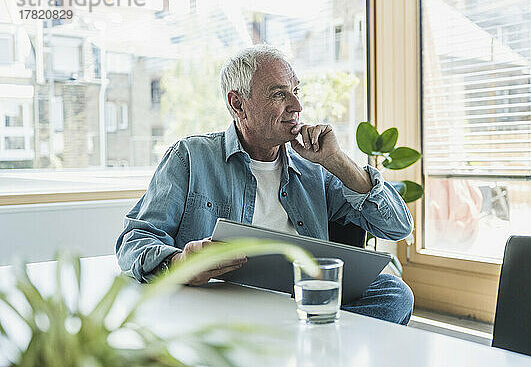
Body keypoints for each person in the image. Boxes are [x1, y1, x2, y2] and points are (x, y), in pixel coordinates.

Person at [115, 45, 415, 325]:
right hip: (224, 299)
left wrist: (337, 160)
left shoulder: (315, 166)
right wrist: (181, 262)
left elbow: (398, 227)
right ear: (238, 105)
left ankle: (285, 339)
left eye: (296, 91)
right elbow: (134, 241)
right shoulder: (190, 158)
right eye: (278, 94)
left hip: (300, 298)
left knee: (394, 294)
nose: (296, 105)